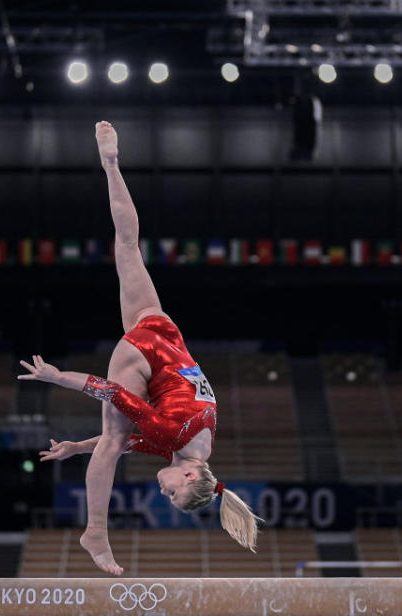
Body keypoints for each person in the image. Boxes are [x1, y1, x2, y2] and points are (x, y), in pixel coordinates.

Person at [17, 121, 260, 576]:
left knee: (127, 247)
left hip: (164, 331)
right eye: (172, 492)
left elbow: (138, 439)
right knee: (111, 437)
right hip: (142, 357)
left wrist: (76, 448)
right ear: (190, 477)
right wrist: (57, 377)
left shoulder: (197, 443)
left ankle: (111, 165)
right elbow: (113, 396)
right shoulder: (174, 437)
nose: (163, 491)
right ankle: (95, 532)